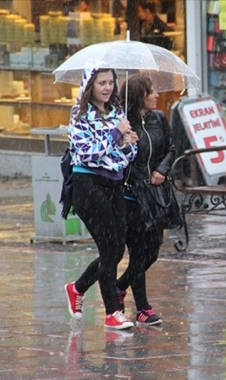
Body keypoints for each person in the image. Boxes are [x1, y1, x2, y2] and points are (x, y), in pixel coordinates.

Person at [64, 66, 139, 330]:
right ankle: (112, 312)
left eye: (110, 82)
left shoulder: (117, 111)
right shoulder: (79, 114)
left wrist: (129, 143)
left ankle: (77, 288)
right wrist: (116, 136)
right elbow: (86, 152)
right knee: (108, 248)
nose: (107, 88)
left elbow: (125, 156)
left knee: (117, 249)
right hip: (88, 184)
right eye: (101, 83)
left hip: (114, 183)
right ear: (90, 86)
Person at [114, 73, 176, 326]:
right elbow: (116, 159)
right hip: (132, 195)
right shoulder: (124, 124)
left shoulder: (159, 118)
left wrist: (162, 169)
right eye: (151, 91)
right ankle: (143, 308)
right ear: (140, 94)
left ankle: (120, 285)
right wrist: (125, 142)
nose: (157, 95)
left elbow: (172, 147)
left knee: (152, 251)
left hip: (156, 193)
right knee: (138, 250)